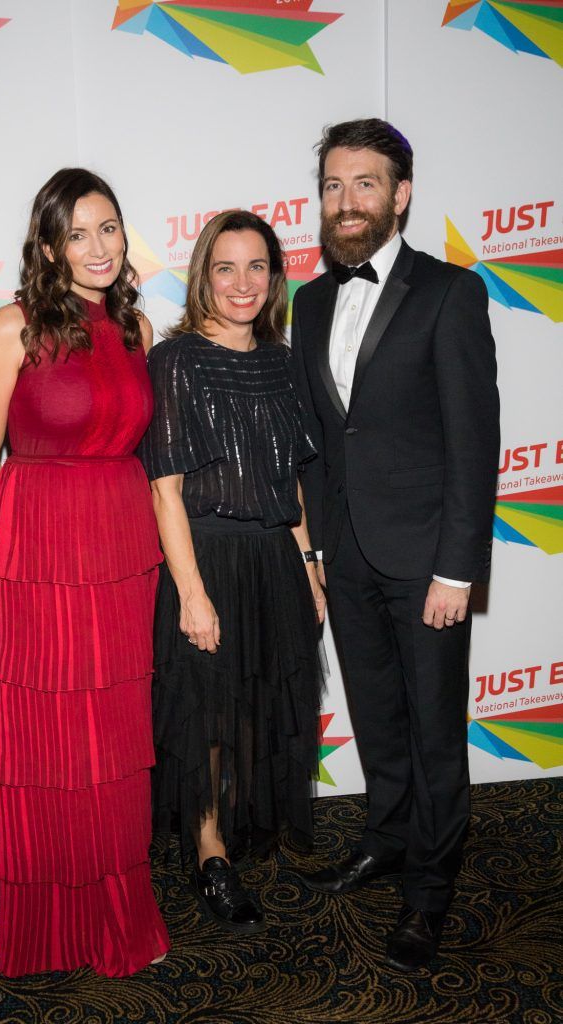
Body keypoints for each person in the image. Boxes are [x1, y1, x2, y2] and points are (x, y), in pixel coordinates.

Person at [291, 119, 500, 971]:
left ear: (400, 194)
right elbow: (314, 441)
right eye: (334, 186)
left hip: (426, 566)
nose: (347, 202)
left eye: (365, 184)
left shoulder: (451, 294)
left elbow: (473, 441)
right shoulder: (306, 303)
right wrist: (315, 556)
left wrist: (457, 568)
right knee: (377, 719)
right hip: (346, 558)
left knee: (434, 733)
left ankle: (430, 892)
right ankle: (383, 838)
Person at [0, 168, 169, 976]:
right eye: (78, 233)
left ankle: (119, 914)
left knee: (116, 741)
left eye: (109, 228)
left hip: (122, 550)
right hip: (40, 558)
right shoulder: (13, 328)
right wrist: (17, 553)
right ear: (48, 245)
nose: (97, 247)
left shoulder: (138, 331)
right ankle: (52, 928)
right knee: (53, 742)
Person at [139, 210, 326, 934]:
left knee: (258, 705)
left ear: (275, 279)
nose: (242, 283)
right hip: (207, 554)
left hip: (275, 556)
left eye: (257, 268)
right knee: (207, 712)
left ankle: (237, 825)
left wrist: (310, 564)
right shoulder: (178, 360)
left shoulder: (282, 360)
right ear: (203, 277)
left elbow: (294, 480)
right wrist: (191, 592)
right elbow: (166, 488)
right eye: (226, 267)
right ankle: (210, 854)